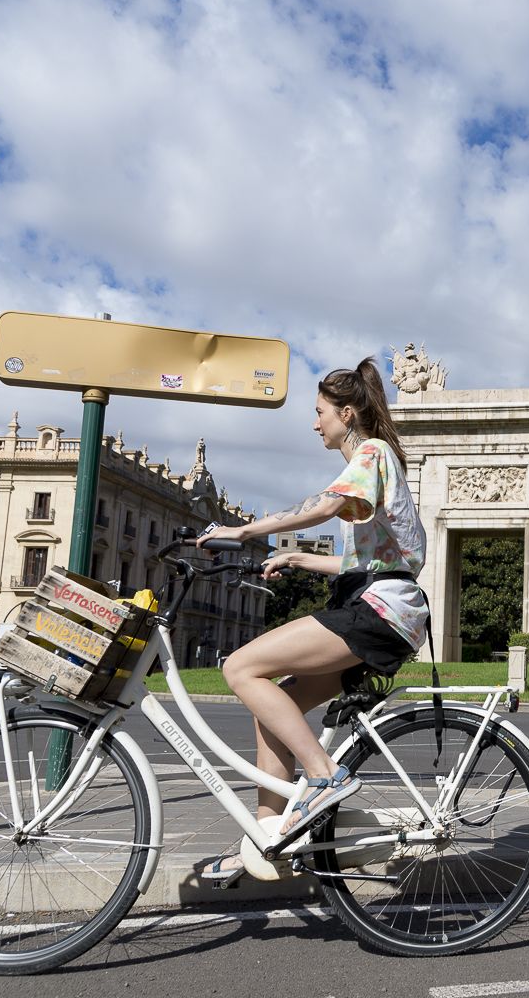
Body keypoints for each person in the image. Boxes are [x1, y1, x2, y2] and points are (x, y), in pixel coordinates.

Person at [195, 357, 428, 883]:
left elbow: (321, 508)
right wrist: (299, 558)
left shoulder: (372, 453)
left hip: (378, 610)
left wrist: (242, 531)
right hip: (381, 605)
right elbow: (367, 560)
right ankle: (267, 838)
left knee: (239, 667)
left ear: (346, 413)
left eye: (320, 412)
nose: (314, 423)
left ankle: (325, 776)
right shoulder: (373, 465)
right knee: (275, 708)